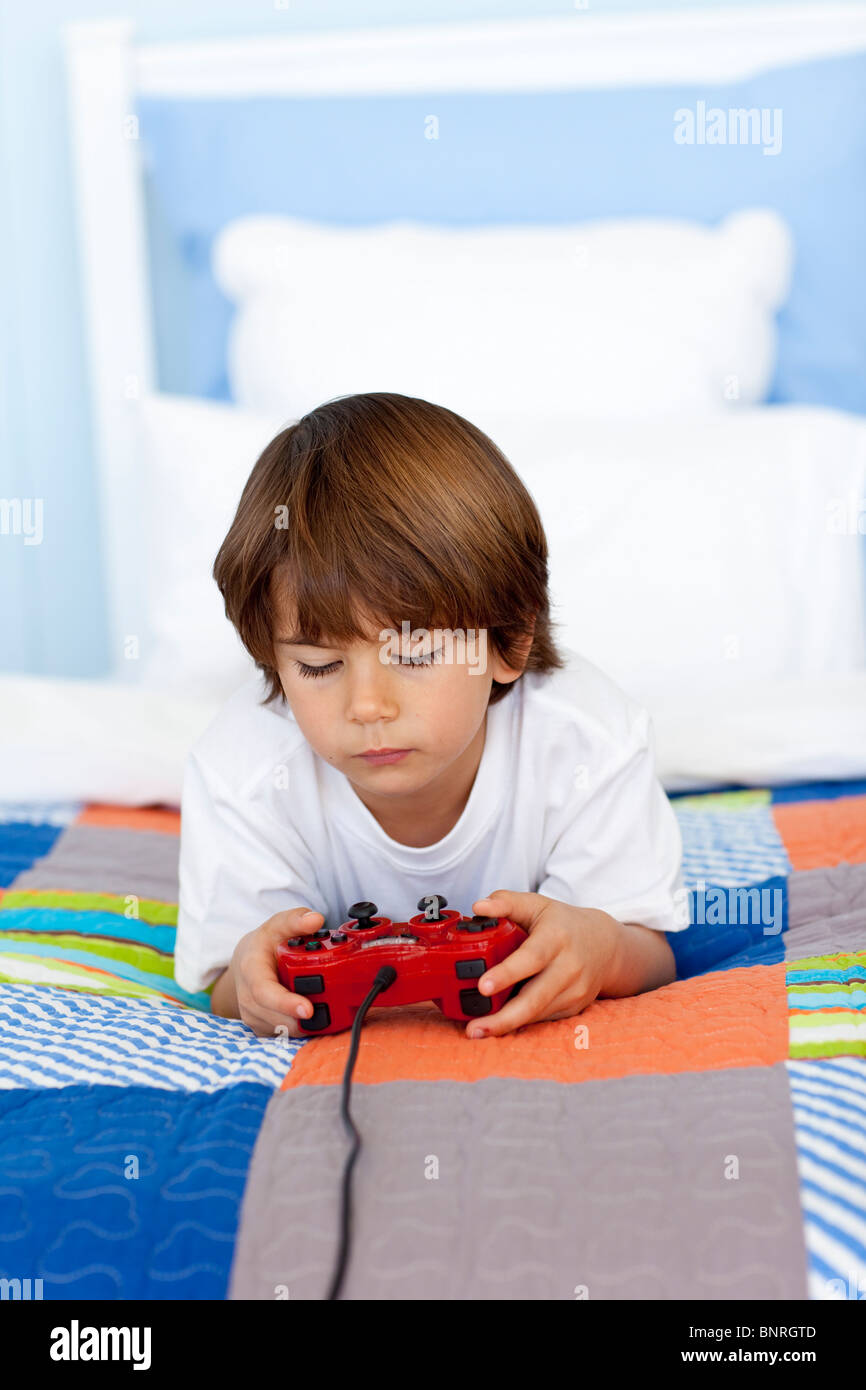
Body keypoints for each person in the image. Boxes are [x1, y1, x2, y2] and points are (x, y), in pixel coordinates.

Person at [174, 392, 685, 1039]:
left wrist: (604, 948)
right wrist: (251, 980)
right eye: (318, 667)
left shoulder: (588, 740)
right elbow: (229, 981)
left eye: (415, 655)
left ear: (508, 642)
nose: (366, 707)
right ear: (272, 660)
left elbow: (651, 950)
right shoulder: (240, 769)